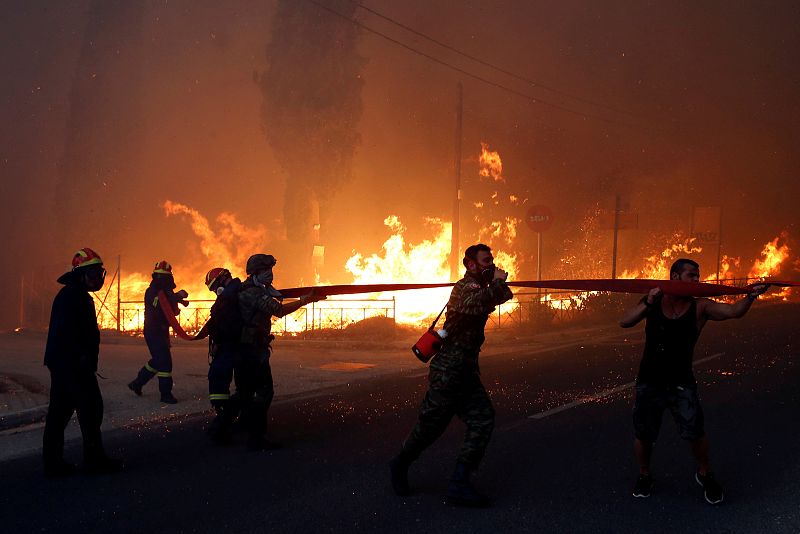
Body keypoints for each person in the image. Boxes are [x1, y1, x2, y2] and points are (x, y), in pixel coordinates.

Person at [620, 258, 768, 504]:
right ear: (675, 277)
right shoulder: (653, 301)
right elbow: (625, 321)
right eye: (691, 275)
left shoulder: (700, 307)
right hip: (650, 380)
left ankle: (704, 473)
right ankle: (644, 475)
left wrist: (751, 296)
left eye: (698, 276)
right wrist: (648, 301)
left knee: (695, 433)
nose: (697, 280)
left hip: (681, 382)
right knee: (644, 435)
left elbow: (733, 312)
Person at [390, 243, 513, 507]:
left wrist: (497, 283)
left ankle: (460, 482)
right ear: (471, 265)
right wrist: (497, 283)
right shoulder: (464, 288)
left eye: (492, 260)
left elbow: (506, 295)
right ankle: (400, 464)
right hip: (447, 372)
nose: (491, 264)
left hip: (466, 373)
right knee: (429, 428)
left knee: (482, 419)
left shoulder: (483, 287)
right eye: (485, 261)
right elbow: (478, 302)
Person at [42, 248, 124, 476]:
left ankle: (53, 463)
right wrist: (81, 358)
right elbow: (67, 333)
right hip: (73, 366)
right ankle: (94, 460)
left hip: (65, 364)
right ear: (83, 274)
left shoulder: (73, 294)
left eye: (101, 272)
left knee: (60, 412)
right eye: (96, 273)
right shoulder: (72, 297)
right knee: (90, 409)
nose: (99, 277)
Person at [237, 253, 325, 451]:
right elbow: (278, 310)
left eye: (271, 270)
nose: (270, 274)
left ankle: (234, 426)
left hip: (246, 349)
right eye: (265, 270)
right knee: (264, 392)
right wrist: (304, 300)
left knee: (245, 392)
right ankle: (256, 437)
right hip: (252, 351)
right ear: (254, 273)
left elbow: (274, 296)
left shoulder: (251, 289)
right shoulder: (254, 293)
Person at [128, 261, 189, 404]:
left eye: (165, 276)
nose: (163, 280)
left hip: (162, 331)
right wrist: (178, 296)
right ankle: (165, 394)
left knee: (158, 360)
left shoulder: (167, 291)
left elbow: (170, 309)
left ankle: (137, 383)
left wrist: (177, 305)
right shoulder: (152, 291)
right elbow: (160, 303)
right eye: (161, 277)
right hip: (153, 331)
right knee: (165, 363)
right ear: (156, 277)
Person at [204, 267, 243, 444]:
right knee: (227, 386)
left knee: (218, 383)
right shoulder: (232, 294)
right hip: (228, 347)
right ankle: (224, 422)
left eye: (214, 287)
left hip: (230, 347)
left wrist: (219, 341)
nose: (214, 292)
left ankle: (222, 425)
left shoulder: (230, 296)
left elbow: (228, 325)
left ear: (222, 280)